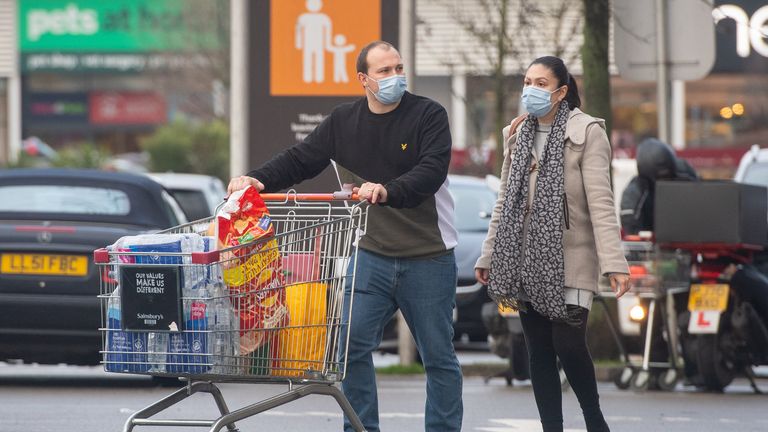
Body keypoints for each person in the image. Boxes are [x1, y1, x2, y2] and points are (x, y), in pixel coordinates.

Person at [227, 40, 463, 432]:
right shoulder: (343, 122)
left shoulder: (428, 114)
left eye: (399, 69)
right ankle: (360, 427)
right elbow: (301, 159)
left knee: (438, 356)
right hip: (370, 254)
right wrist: (258, 178)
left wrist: (388, 190)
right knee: (348, 347)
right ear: (363, 79)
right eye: (385, 71)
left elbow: (432, 170)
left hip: (428, 256)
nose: (395, 77)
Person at [474, 56, 630, 432]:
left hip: (572, 258)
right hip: (524, 258)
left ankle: (594, 420)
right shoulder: (517, 132)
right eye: (528, 81)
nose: (532, 89)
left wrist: (614, 262)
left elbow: (601, 201)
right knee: (538, 350)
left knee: (569, 344)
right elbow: (505, 201)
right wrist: (489, 254)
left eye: (541, 83)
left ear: (561, 91)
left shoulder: (587, 131)